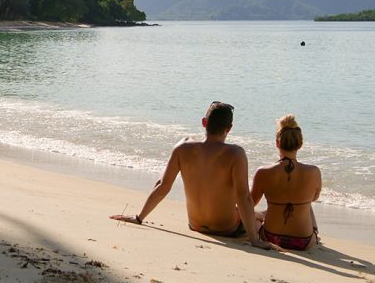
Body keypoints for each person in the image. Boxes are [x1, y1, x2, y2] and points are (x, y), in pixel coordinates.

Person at [112, 101, 272, 249]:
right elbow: (243, 196)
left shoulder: (182, 148)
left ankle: (261, 214)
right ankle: (262, 215)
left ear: (204, 122)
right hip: (226, 228)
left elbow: (163, 185)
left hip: (195, 224)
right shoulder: (236, 154)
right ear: (229, 128)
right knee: (256, 219)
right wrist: (254, 240)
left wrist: (139, 217)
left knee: (251, 213)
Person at [250, 114, 322, 251]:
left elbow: (249, 204)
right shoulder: (314, 172)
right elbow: (314, 198)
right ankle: (315, 234)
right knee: (307, 204)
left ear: (277, 143)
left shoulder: (263, 172)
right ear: (300, 144)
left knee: (254, 218)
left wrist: (260, 215)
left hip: (270, 237)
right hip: (304, 241)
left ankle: (263, 214)